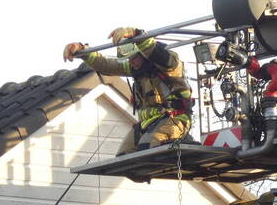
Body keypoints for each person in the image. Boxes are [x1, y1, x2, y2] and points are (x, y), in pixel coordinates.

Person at [64, 27, 194, 153]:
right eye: (129, 59)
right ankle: (146, 174)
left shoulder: (170, 64)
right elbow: (107, 65)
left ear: (143, 54)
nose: (131, 62)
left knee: (148, 147)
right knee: (124, 155)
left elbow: (157, 53)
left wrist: (136, 35)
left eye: (134, 58)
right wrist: (84, 52)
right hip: (148, 124)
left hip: (175, 119)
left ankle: (181, 145)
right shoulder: (137, 69)